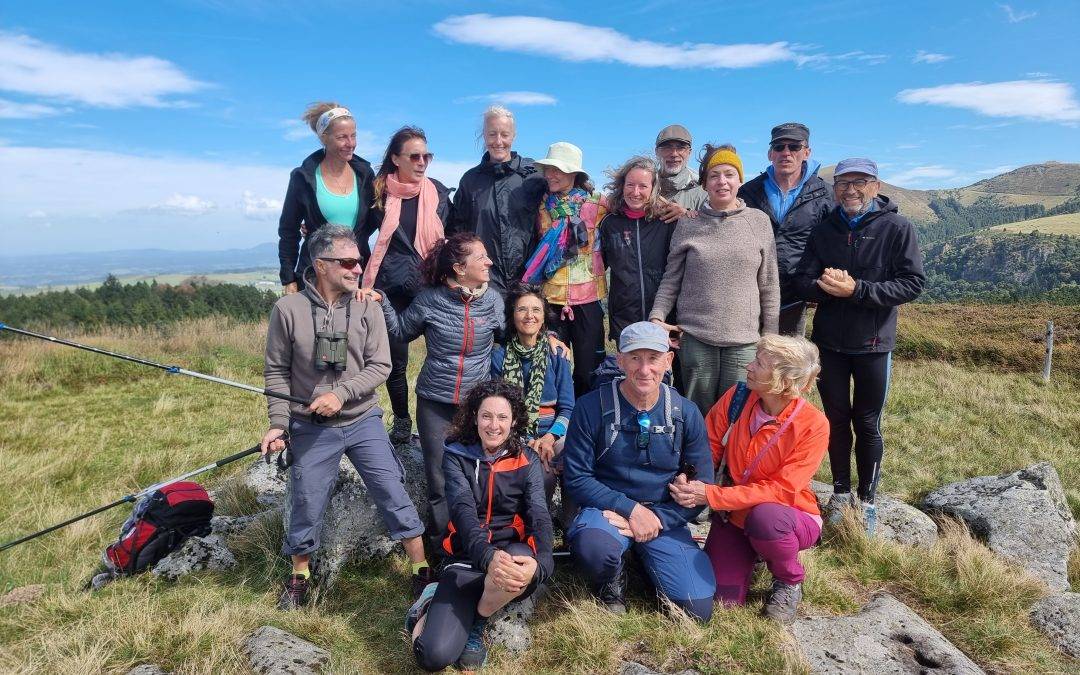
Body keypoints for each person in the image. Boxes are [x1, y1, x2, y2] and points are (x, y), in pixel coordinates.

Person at [260, 225, 429, 610]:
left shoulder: (368, 306)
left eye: (360, 261)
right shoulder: (288, 310)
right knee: (306, 497)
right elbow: (276, 372)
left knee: (391, 489)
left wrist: (341, 394)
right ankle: (299, 575)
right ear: (321, 265)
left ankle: (421, 568)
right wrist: (278, 423)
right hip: (310, 425)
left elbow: (381, 365)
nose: (358, 269)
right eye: (349, 262)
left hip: (362, 418)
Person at [793, 158, 925, 534]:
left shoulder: (897, 228)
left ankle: (867, 500)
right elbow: (802, 279)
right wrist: (822, 284)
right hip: (830, 344)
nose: (850, 190)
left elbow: (912, 283)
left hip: (874, 344)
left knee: (867, 423)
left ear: (876, 185)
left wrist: (858, 290)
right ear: (834, 188)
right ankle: (839, 493)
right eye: (843, 184)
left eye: (859, 183)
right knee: (835, 420)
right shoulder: (824, 231)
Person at [669, 335, 828, 624]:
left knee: (766, 519)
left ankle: (788, 580)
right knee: (723, 600)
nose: (749, 366)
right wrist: (689, 480)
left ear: (783, 380)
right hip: (734, 516)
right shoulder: (737, 397)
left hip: (790, 516)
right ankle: (756, 553)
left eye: (759, 363)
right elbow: (708, 448)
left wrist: (712, 496)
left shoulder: (813, 424)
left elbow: (782, 490)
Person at [562, 321, 715, 621]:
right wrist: (630, 510)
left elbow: (701, 484)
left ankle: (647, 561)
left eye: (653, 358)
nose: (644, 369)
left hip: (663, 517)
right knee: (594, 550)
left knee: (698, 610)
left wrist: (656, 518)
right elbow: (577, 477)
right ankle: (611, 577)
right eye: (634, 358)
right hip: (606, 511)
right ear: (620, 360)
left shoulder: (685, 413)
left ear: (669, 360)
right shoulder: (591, 407)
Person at [408, 380, 554, 672]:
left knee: (520, 566)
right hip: (466, 558)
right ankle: (427, 603)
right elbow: (462, 511)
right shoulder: (457, 455)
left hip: (511, 552)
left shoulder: (528, 460)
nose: (493, 425)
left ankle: (478, 621)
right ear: (474, 417)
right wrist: (487, 557)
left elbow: (539, 513)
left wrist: (543, 564)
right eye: (486, 416)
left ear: (514, 421)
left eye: (502, 417)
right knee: (433, 657)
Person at [373, 232, 504, 552]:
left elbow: (508, 339)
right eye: (481, 258)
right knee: (440, 481)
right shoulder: (430, 299)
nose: (489, 262)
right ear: (460, 268)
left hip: (476, 405)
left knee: (478, 475)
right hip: (435, 403)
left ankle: (478, 544)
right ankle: (443, 550)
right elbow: (402, 331)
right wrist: (383, 302)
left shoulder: (494, 300)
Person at [650, 144, 780, 416]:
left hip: (744, 340)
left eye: (729, 174)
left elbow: (768, 283)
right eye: (714, 175)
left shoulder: (758, 222)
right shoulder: (689, 223)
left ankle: (732, 461)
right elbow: (671, 278)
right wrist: (656, 319)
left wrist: (770, 336)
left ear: (739, 180)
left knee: (738, 413)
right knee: (697, 413)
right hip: (696, 338)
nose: (722, 181)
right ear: (705, 184)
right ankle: (697, 460)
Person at [357, 126, 452, 446]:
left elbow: (450, 238)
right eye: (415, 156)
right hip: (392, 288)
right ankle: (401, 419)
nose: (422, 161)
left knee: (443, 358)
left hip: (431, 286)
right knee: (395, 362)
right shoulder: (380, 193)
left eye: (427, 155)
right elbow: (358, 232)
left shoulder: (438, 191)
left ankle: (444, 423)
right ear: (396, 159)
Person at [523, 142, 608, 396]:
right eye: (548, 169)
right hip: (550, 299)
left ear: (575, 174)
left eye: (558, 170)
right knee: (552, 367)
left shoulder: (598, 204)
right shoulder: (540, 207)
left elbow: (635, 207)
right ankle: (556, 424)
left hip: (589, 299)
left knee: (588, 369)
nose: (550, 175)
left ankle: (585, 423)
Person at [739, 123, 834, 336]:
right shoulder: (748, 191)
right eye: (779, 147)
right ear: (770, 153)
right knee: (750, 359)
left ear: (806, 152)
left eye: (794, 147)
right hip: (752, 292)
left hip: (796, 296)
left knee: (787, 360)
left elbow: (832, 244)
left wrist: (817, 286)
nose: (786, 153)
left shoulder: (825, 194)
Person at [490, 282, 575, 510]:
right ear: (512, 315)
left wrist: (550, 438)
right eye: (522, 310)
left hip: (554, 430)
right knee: (543, 475)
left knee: (574, 463)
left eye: (536, 310)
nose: (530, 316)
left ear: (544, 317)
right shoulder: (500, 357)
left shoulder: (557, 355)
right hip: (515, 431)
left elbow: (568, 407)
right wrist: (528, 441)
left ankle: (570, 526)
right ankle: (537, 528)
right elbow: (500, 408)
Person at [448, 106, 547, 296]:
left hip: (529, 280)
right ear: (484, 136)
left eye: (505, 134)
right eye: (492, 134)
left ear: (514, 136)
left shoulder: (534, 175)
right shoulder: (470, 180)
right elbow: (457, 233)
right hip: (485, 284)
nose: (498, 141)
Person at [277, 102, 375, 293]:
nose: (351, 143)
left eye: (353, 135)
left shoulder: (365, 175)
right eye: (342, 137)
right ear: (324, 138)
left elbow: (375, 220)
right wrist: (288, 278)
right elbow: (288, 231)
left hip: (356, 275)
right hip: (316, 276)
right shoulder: (303, 178)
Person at [599, 156, 675, 342]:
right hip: (625, 320)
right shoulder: (610, 223)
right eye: (630, 185)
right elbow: (598, 266)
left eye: (643, 186)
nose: (636, 192)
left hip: (663, 317)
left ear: (654, 188)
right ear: (621, 186)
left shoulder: (668, 221)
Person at [653, 124, 707, 223]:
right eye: (667, 147)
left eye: (681, 148)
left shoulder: (704, 191)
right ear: (656, 152)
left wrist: (687, 214)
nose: (674, 154)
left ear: (689, 152)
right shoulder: (643, 188)